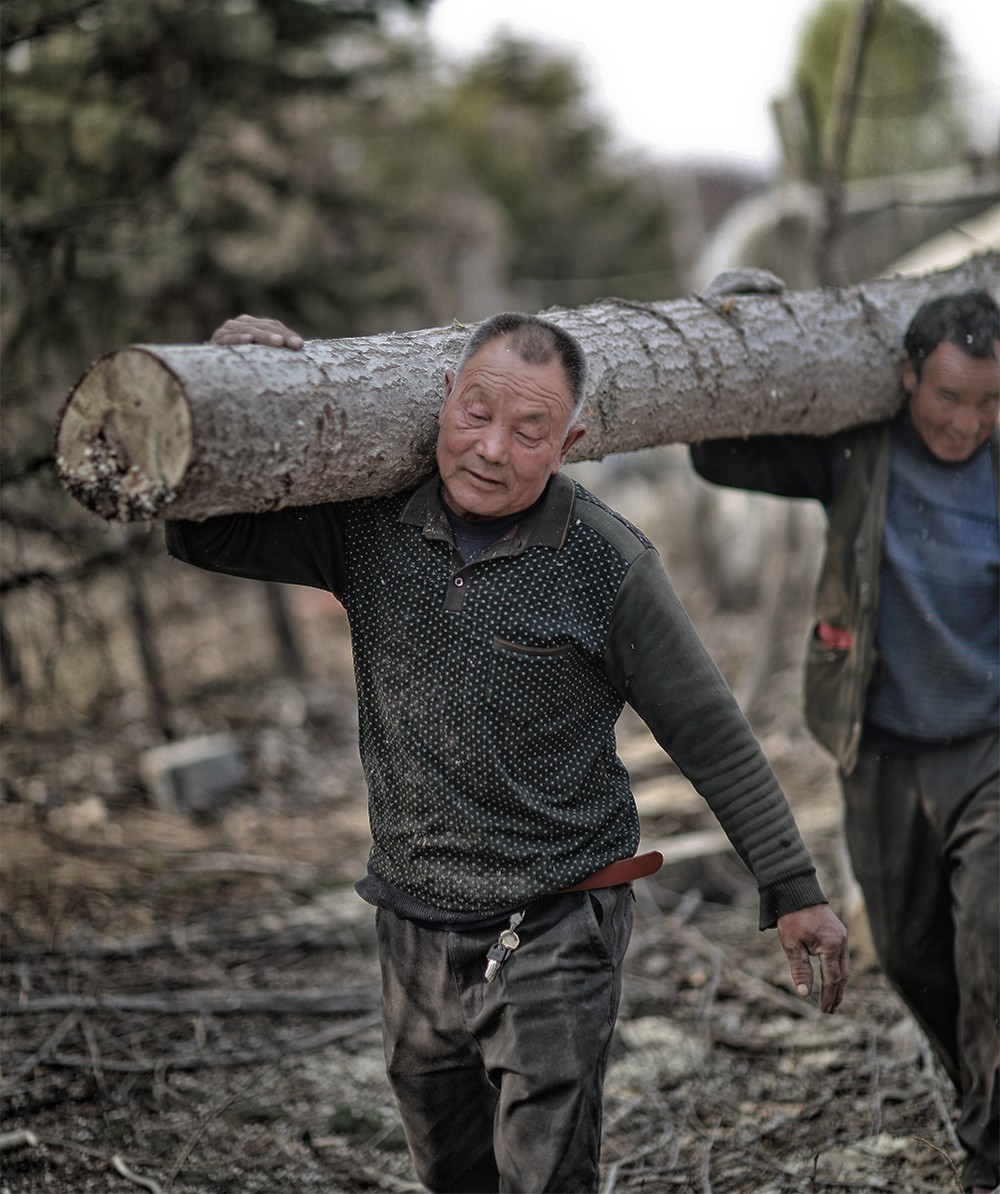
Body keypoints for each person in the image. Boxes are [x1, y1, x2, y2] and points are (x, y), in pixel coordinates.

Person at [167, 310, 849, 1194]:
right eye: (476, 414)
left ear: (570, 441)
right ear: (443, 400)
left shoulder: (607, 564)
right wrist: (229, 389)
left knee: (545, 1176)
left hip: (557, 916)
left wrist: (793, 889)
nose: (491, 449)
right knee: (451, 1168)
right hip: (412, 917)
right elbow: (201, 535)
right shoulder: (373, 524)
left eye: (529, 432)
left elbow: (710, 733)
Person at [690, 288, 999, 1194]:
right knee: (906, 953)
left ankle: (989, 1153)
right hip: (883, 750)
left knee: (994, 938)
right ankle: (984, 1094)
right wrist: (740, 310)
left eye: (989, 403)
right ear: (907, 377)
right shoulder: (858, 452)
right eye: (948, 398)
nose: (967, 422)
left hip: (990, 749)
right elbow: (716, 452)